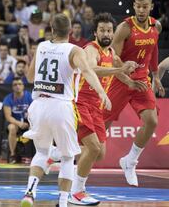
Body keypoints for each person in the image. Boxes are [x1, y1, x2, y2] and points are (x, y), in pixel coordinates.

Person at [20, 13, 111, 207]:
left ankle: (30, 192)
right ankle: (63, 202)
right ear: (70, 31)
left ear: (51, 30)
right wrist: (102, 92)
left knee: (42, 153)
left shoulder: (42, 46)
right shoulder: (74, 50)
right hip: (61, 106)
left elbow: (29, 78)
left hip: (38, 106)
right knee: (69, 157)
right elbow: (88, 71)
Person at [68, 13, 141, 205]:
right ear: (95, 32)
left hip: (96, 107)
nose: (106, 33)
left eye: (109, 30)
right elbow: (91, 69)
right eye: (102, 30)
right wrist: (119, 70)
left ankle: (59, 153)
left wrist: (131, 82)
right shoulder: (91, 49)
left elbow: (120, 71)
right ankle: (77, 191)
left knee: (99, 153)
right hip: (81, 102)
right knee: (92, 148)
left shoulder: (111, 53)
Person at [103, 0, 164, 187]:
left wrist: (155, 76)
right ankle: (65, 152)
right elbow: (112, 58)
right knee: (100, 127)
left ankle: (130, 161)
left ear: (151, 7)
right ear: (134, 5)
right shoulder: (124, 28)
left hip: (141, 80)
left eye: (145, 6)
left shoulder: (156, 26)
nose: (141, 9)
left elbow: (153, 50)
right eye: (138, 6)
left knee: (152, 121)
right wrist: (125, 78)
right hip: (121, 79)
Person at [3, 77, 33, 164]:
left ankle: (32, 154)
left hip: (28, 121)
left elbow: (35, 111)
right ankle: (13, 155)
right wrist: (19, 123)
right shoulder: (8, 99)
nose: (17, 86)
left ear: (23, 86)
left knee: (36, 127)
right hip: (14, 122)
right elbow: (8, 117)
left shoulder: (29, 96)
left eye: (20, 84)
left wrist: (29, 121)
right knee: (12, 128)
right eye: (15, 85)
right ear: (12, 87)